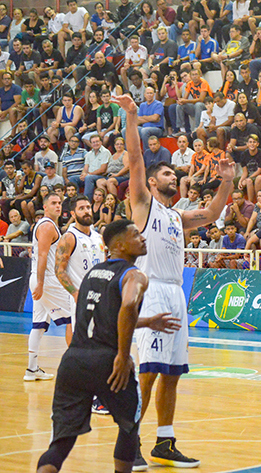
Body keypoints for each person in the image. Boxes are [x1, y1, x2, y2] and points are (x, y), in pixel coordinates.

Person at [116, 92, 236, 468]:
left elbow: (213, 212)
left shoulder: (177, 216)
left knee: (172, 373)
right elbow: (135, 157)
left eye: (174, 173)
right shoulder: (143, 204)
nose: (174, 176)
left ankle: (164, 442)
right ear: (152, 182)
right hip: (150, 290)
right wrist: (131, 116)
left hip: (175, 293)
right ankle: (129, 442)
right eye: (167, 173)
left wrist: (227, 181)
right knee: (149, 372)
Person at [35, 219, 181, 473]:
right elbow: (128, 306)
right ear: (120, 245)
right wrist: (123, 356)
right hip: (108, 363)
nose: (143, 238)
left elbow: (107, 318)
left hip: (73, 362)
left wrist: (147, 322)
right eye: (136, 235)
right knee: (129, 427)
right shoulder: (134, 275)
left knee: (61, 442)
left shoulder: (92, 274)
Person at [27, 193, 69, 381]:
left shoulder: (49, 225)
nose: (58, 206)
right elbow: (42, 255)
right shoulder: (46, 226)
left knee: (39, 325)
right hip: (47, 280)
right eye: (53, 203)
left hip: (41, 279)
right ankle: (77, 368)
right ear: (45, 207)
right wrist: (41, 283)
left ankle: (31, 369)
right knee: (74, 317)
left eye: (59, 203)